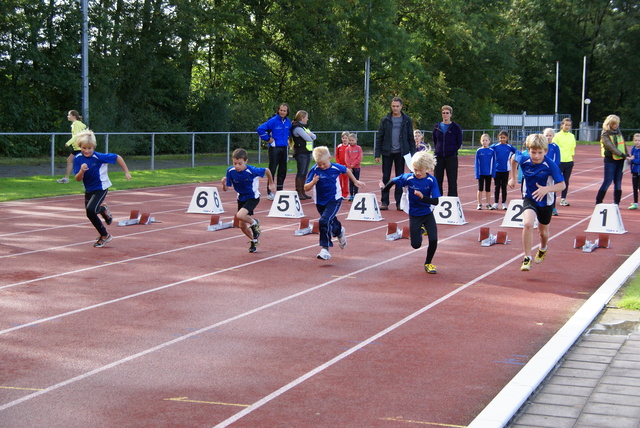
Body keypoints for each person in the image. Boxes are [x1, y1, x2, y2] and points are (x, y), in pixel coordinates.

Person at [508, 134, 565, 272]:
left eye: (540, 152)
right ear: (528, 150)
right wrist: (514, 178)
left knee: (542, 232)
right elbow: (513, 158)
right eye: (533, 152)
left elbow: (562, 185)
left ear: (546, 151)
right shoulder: (524, 158)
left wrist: (547, 189)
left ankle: (543, 248)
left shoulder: (550, 165)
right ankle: (527, 257)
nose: (536, 156)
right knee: (527, 224)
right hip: (529, 197)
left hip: (546, 201)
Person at [381, 150, 440, 274]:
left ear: (428, 168)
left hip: (427, 213)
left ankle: (428, 263)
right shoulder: (408, 178)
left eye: (420, 170)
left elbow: (435, 201)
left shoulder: (431, 180)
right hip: (414, 214)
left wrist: (422, 197)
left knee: (434, 239)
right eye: (415, 169)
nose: (417, 173)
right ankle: (420, 230)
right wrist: (384, 189)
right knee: (416, 245)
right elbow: (393, 180)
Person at [304, 146, 365, 260]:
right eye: (319, 164)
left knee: (323, 221)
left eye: (324, 164)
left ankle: (325, 249)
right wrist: (313, 182)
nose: (322, 166)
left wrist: (355, 181)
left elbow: (346, 170)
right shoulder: (314, 170)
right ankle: (339, 231)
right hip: (320, 201)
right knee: (330, 221)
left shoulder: (336, 168)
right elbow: (305, 188)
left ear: (330, 159)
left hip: (334, 199)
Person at [73, 130, 131, 247]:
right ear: (80, 147)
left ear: (93, 147)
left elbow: (117, 157)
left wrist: (126, 172)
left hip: (101, 187)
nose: (87, 151)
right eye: (84, 148)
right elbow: (77, 179)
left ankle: (103, 210)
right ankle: (105, 235)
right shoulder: (78, 158)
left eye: (90, 148)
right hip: (89, 188)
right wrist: (81, 171)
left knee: (91, 209)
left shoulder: (99, 157)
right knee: (90, 213)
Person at [221, 148, 274, 253]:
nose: (237, 166)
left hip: (252, 197)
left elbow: (267, 170)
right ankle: (253, 240)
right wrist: (223, 184)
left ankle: (255, 223)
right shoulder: (230, 171)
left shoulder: (252, 170)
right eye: (235, 163)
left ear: (246, 161)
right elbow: (226, 189)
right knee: (242, 225)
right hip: (241, 197)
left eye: (240, 163)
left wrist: (271, 183)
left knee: (240, 215)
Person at [375, 97, 416, 211]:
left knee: (400, 178)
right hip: (387, 152)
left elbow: (410, 138)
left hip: (401, 153)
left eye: (397, 106)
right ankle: (384, 201)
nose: (395, 108)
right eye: (393, 106)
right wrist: (377, 153)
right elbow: (380, 137)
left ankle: (399, 203)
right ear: (391, 106)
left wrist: (413, 153)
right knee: (386, 177)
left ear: (401, 106)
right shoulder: (385, 120)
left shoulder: (406, 120)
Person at [257, 103, 291, 200]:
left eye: (284, 111)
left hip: (284, 148)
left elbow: (289, 132)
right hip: (274, 148)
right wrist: (268, 139)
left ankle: (280, 190)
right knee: (272, 169)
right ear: (278, 110)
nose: (282, 112)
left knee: (283, 170)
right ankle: (270, 192)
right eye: (281, 110)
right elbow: (260, 129)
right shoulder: (273, 121)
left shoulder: (288, 122)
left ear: (287, 112)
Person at [595, 114, 630, 205]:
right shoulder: (605, 134)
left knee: (618, 181)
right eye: (615, 124)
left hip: (621, 159)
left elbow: (623, 143)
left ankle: (616, 202)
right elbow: (611, 148)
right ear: (609, 124)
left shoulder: (618, 131)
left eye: (617, 124)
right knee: (608, 180)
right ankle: (599, 201)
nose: (617, 126)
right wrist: (623, 155)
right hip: (610, 159)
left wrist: (627, 154)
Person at [432, 105, 463, 197]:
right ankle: (437, 199)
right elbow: (435, 140)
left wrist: (452, 150)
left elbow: (459, 141)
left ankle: (452, 199)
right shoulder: (437, 127)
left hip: (451, 157)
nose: (445, 115)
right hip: (439, 156)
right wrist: (438, 149)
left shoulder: (455, 128)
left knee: (452, 180)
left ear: (450, 114)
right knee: (437, 180)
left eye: (447, 113)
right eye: (443, 113)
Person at [289, 110, 316, 200]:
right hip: (301, 153)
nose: (307, 119)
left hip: (306, 152)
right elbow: (309, 139)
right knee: (301, 173)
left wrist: (310, 135)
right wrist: (310, 135)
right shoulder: (297, 128)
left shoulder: (304, 127)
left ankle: (302, 192)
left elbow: (314, 136)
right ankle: (298, 192)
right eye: (306, 117)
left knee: (304, 173)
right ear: (302, 118)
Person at [57, 110, 87, 183]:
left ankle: (86, 180)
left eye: (69, 115)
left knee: (82, 163)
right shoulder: (79, 124)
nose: (68, 116)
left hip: (79, 147)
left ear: (73, 116)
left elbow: (77, 135)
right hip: (79, 147)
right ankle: (66, 178)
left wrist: (68, 143)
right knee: (70, 160)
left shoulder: (75, 124)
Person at [553, 118, 577, 206]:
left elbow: (572, 147)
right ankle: (553, 198)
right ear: (562, 125)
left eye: (569, 125)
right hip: (559, 162)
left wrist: (571, 158)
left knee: (566, 181)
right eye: (565, 125)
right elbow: (554, 148)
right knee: (556, 180)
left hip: (569, 161)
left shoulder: (572, 136)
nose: (567, 127)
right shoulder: (557, 136)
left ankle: (563, 199)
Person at [492, 130, 516, 210]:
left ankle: (504, 203)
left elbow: (517, 152)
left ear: (507, 138)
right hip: (496, 169)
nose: (502, 139)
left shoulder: (509, 147)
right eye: (501, 137)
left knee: (504, 187)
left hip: (505, 170)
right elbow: (487, 150)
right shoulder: (495, 146)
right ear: (498, 138)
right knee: (497, 187)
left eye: (504, 138)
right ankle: (495, 203)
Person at [543, 128, 561, 216]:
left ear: (553, 136)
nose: (548, 137)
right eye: (546, 135)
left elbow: (558, 159)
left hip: (551, 171)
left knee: (552, 189)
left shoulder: (555, 146)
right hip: (542, 170)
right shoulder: (542, 146)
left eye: (550, 135)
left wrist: (554, 168)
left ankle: (553, 207)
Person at [474, 134, 495, 210]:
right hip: (481, 173)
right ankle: (479, 203)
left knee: (488, 189)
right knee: (480, 188)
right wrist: (477, 173)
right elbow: (476, 162)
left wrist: (493, 173)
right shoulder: (479, 151)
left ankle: (488, 203)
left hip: (488, 173)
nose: (485, 142)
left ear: (489, 141)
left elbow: (494, 162)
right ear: (480, 141)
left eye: (486, 140)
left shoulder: (492, 151)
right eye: (483, 140)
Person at [345, 133, 363, 201]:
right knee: (351, 182)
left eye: (353, 140)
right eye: (350, 140)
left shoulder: (358, 148)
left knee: (356, 181)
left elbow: (359, 158)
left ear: (356, 140)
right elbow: (346, 158)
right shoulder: (347, 148)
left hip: (356, 167)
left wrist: (353, 164)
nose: (351, 142)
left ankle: (356, 194)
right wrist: (349, 166)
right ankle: (351, 195)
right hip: (350, 169)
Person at [335, 131, 350, 199]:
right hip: (340, 166)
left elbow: (350, 156)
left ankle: (345, 193)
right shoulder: (339, 146)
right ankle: (339, 193)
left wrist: (347, 164)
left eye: (346, 138)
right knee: (339, 179)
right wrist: (338, 163)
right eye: (343, 138)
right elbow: (337, 155)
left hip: (346, 166)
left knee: (345, 180)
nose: (344, 139)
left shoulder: (349, 147)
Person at [629, 133, 640, 210]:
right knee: (634, 188)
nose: (637, 142)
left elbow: (638, 161)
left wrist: (632, 160)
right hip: (634, 171)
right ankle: (635, 203)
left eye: (639, 140)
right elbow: (631, 157)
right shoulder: (633, 148)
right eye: (635, 140)